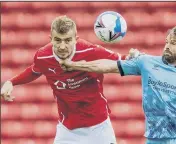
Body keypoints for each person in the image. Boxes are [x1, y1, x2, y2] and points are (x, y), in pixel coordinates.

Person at [1, 15, 140, 144]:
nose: (62, 46)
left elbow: (122, 60)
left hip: (99, 127)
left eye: (67, 40)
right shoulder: (43, 57)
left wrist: (133, 56)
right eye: (57, 40)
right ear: (51, 39)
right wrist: (11, 82)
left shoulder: (90, 51)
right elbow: (33, 71)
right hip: (67, 130)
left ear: (75, 38)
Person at [61, 22, 176, 144]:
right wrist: (75, 65)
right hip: (154, 139)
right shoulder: (147, 63)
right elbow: (107, 66)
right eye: (167, 42)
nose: (168, 46)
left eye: (174, 43)